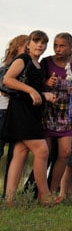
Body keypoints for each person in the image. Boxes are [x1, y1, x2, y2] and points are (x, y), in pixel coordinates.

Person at [2, 31, 58, 205]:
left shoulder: (39, 65)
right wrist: (31, 90)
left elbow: (33, 86)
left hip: (31, 112)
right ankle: (45, 196)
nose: (40, 45)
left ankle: (10, 200)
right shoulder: (23, 59)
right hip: (21, 111)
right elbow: (8, 80)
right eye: (36, 41)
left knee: (20, 152)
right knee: (42, 151)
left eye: (43, 43)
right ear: (28, 44)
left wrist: (44, 90)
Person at [40, 32, 72, 197]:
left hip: (66, 113)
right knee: (44, 152)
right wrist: (47, 83)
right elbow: (40, 87)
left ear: (70, 47)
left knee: (65, 152)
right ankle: (42, 192)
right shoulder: (46, 62)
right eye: (55, 45)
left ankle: (53, 190)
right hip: (49, 112)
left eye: (62, 46)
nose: (58, 49)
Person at [0, 34, 28, 197]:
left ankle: (8, 195)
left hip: (17, 114)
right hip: (3, 112)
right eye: (25, 46)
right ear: (17, 47)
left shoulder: (28, 68)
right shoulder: (6, 67)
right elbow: (4, 86)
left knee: (15, 155)